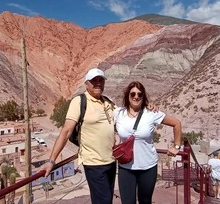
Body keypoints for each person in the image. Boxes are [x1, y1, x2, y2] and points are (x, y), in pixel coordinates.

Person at [38, 68, 117, 204]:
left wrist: (147, 106)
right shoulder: (79, 101)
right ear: (86, 84)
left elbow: (127, 116)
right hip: (94, 164)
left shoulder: (108, 102)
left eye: (101, 80)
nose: (98, 83)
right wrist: (51, 161)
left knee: (107, 198)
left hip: (110, 161)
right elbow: (66, 131)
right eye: (94, 81)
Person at [114, 81, 182, 204]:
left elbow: (176, 123)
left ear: (143, 96)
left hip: (148, 167)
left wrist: (176, 146)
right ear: (127, 96)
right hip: (126, 167)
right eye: (133, 94)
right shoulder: (118, 113)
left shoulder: (151, 113)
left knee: (145, 201)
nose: (136, 97)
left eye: (140, 94)